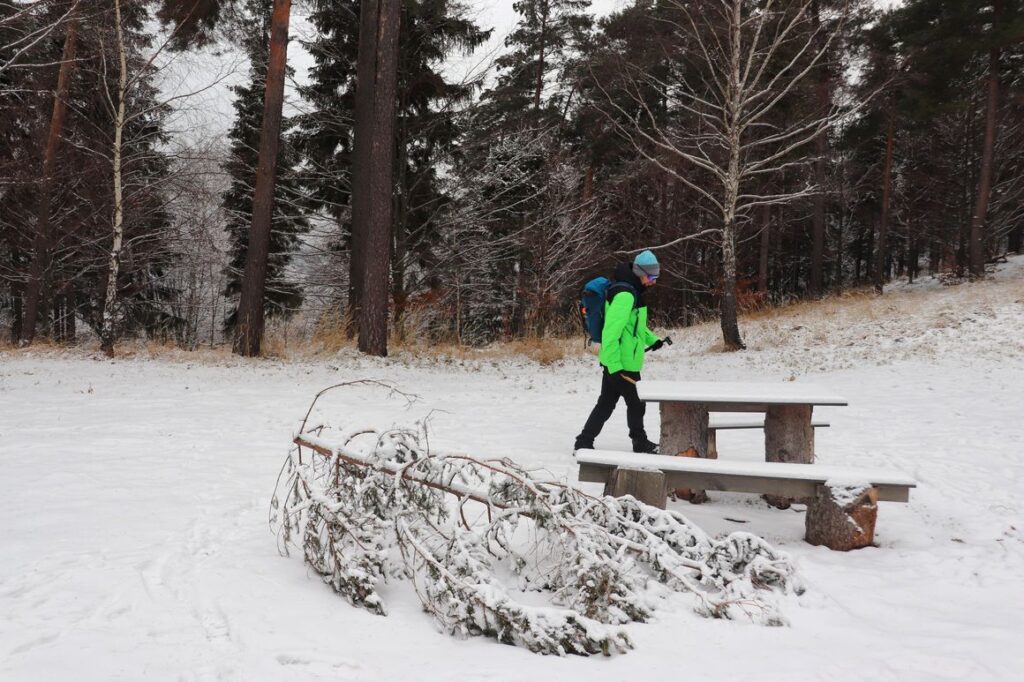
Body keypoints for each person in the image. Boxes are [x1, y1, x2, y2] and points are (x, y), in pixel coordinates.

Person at [574, 250, 670, 454]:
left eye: (656, 277)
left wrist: (653, 340)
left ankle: (583, 441)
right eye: (651, 277)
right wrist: (614, 366)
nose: (653, 281)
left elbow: (633, 326)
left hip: (622, 361)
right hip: (622, 363)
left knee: (606, 404)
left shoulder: (632, 291)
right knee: (636, 404)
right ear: (639, 272)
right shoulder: (625, 295)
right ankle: (639, 443)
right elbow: (611, 332)